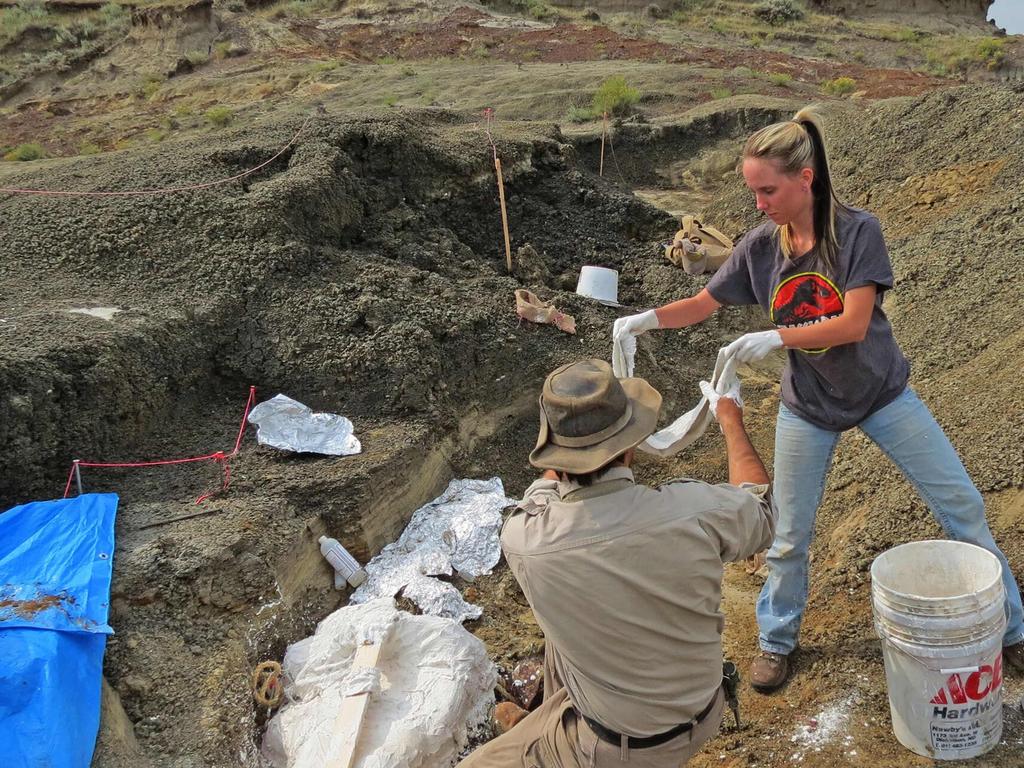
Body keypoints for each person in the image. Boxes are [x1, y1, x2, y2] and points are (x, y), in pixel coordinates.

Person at [612, 106, 1024, 693]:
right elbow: (704, 304)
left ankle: (1010, 630)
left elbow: (854, 324)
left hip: (882, 393)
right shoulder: (759, 247)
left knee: (962, 506)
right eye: (753, 191)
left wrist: (775, 334)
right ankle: (777, 640)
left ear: (805, 179)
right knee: (788, 534)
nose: (758, 203)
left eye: (768, 190)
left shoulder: (859, 232)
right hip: (808, 405)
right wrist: (644, 320)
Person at [458, 358, 775, 768]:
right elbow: (762, 511)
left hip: (618, 748)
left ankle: (547, 735)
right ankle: (544, 722)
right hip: (702, 709)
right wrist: (730, 418)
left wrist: (571, 451)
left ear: (555, 452)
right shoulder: (695, 512)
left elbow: (543, 490)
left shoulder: (526, 541)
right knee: (565, 637)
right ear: (630, 447)